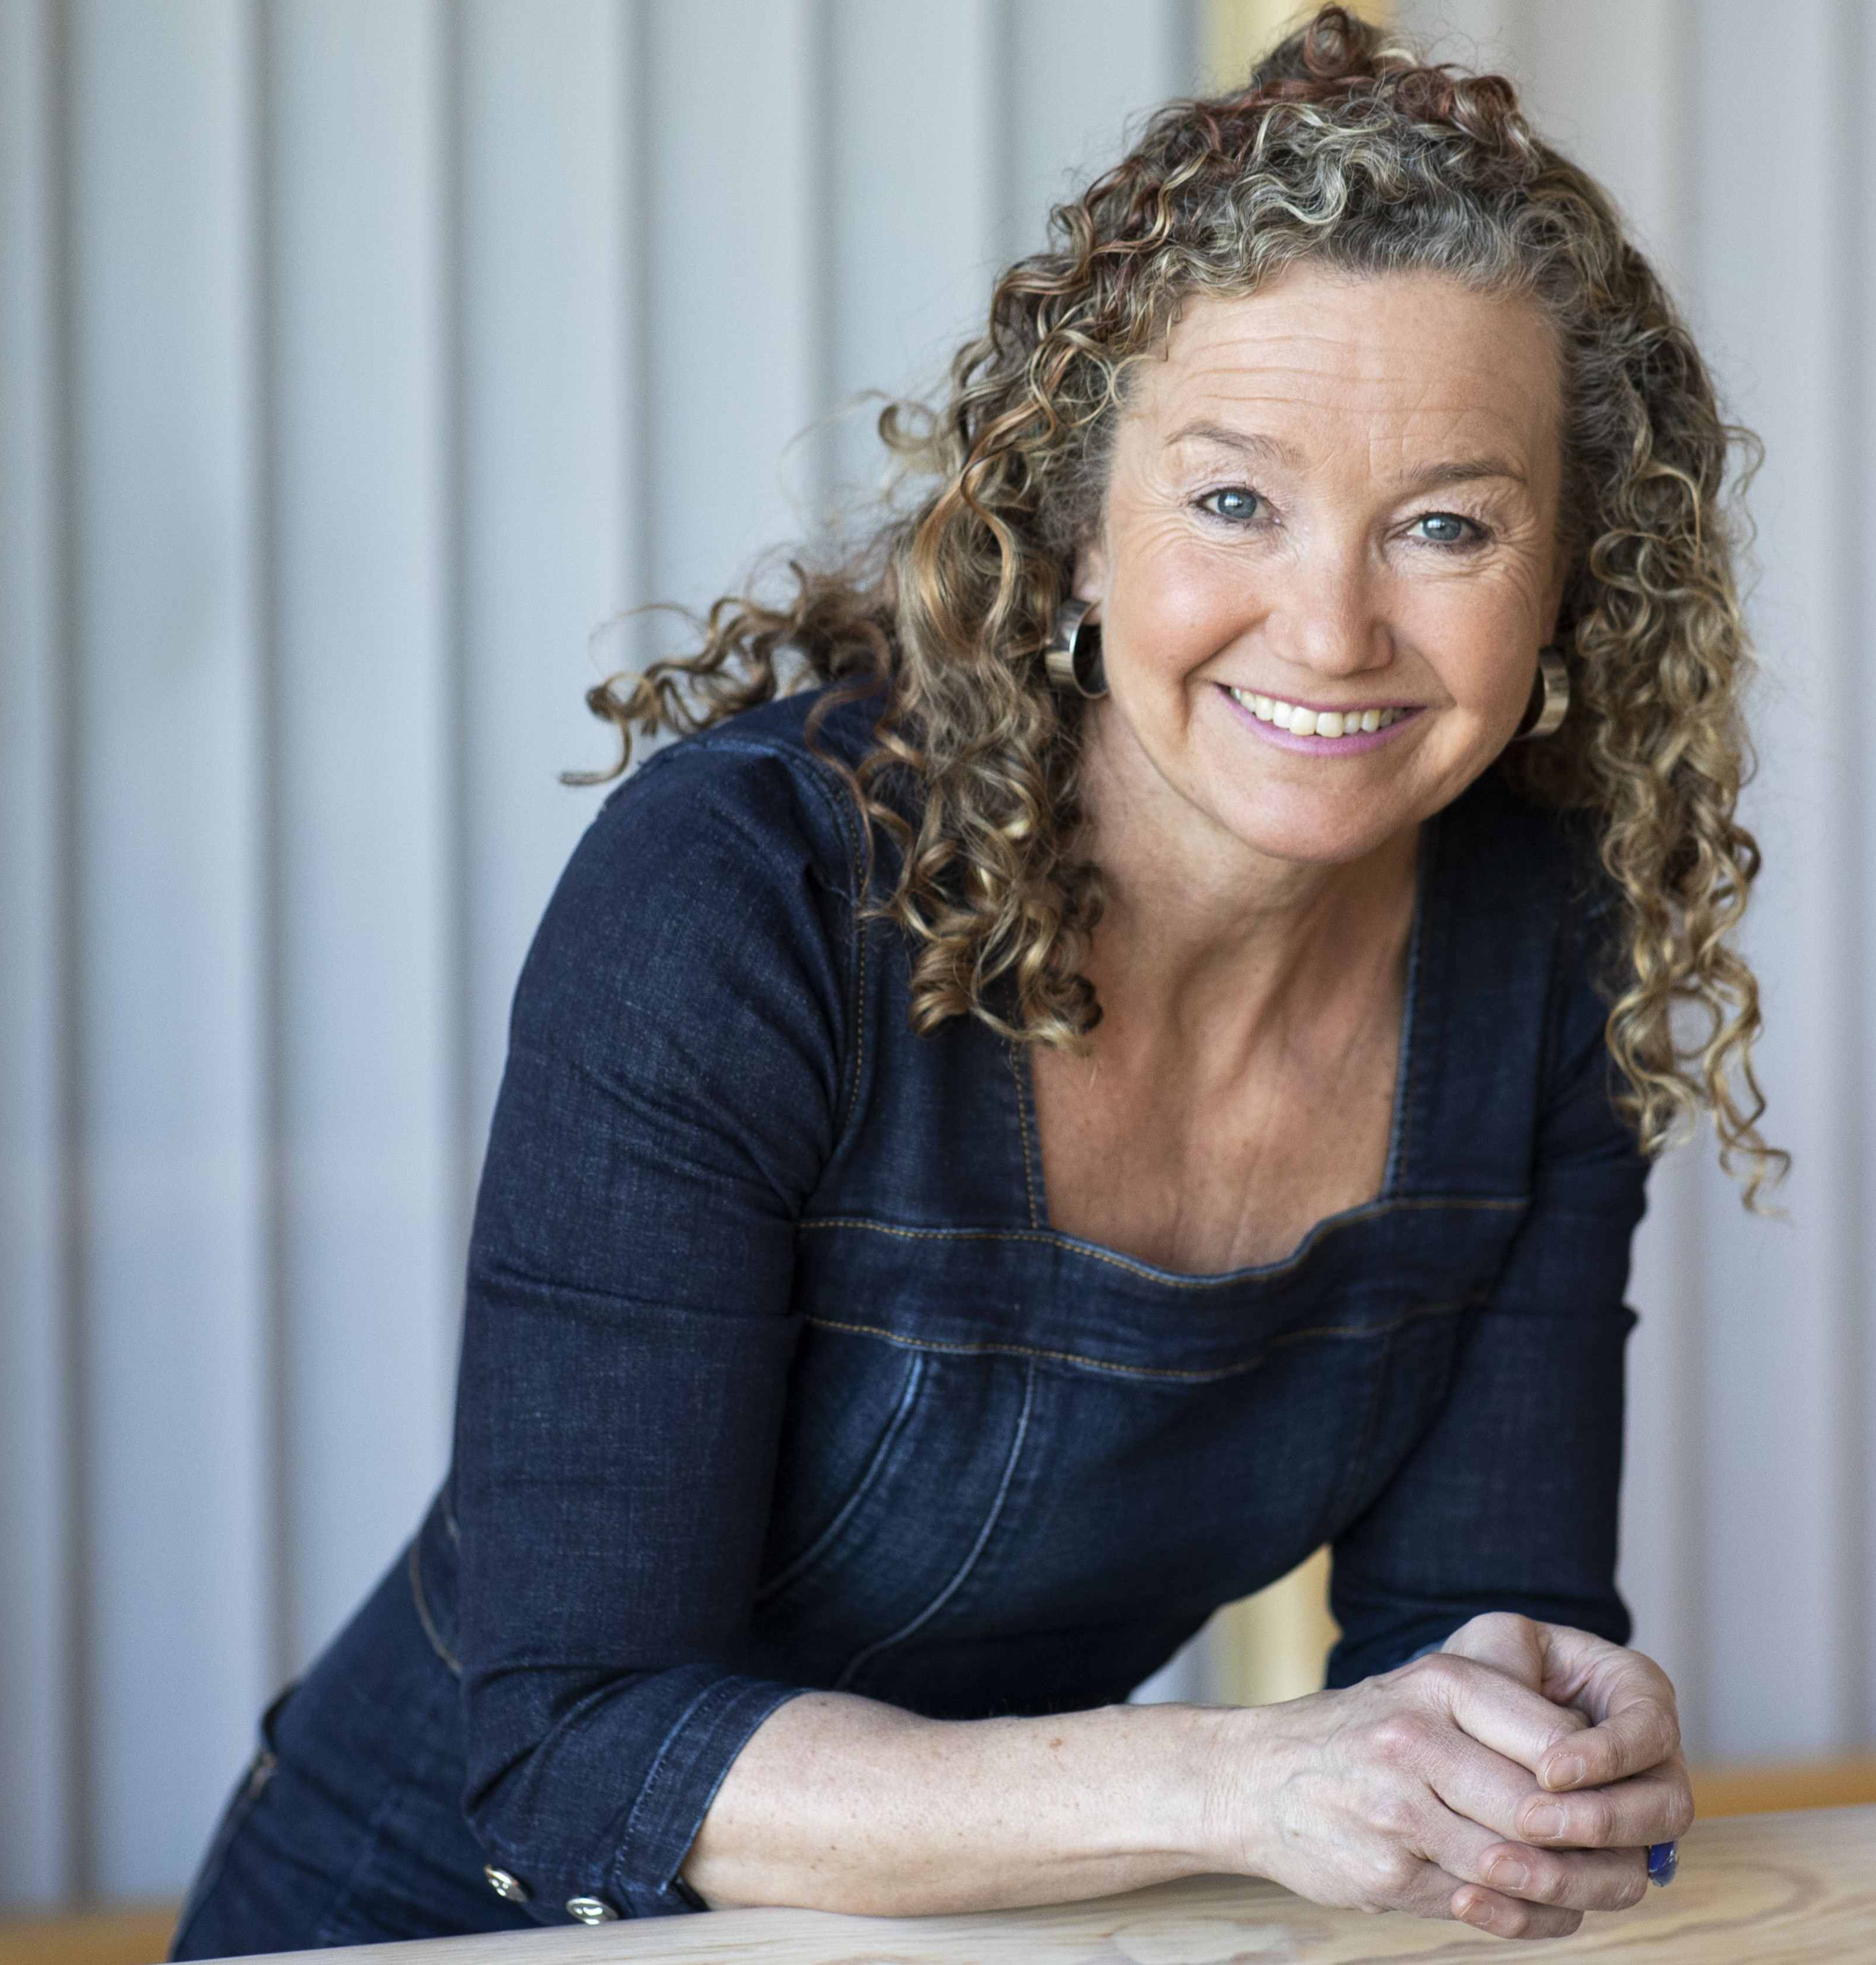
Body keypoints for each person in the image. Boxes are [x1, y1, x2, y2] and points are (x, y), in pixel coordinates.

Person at [170, 9, 1776, 1952]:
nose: (1333, 625)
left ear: (1572, 577)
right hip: (435, 1921)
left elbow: (1470, 1629)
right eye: (1234, 501)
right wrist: (1247, 1781)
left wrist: (1535, 1757)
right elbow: (579, 1748)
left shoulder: (1543, 946)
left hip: (968, 1929)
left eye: (1446, 524)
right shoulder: (747, 898)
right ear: (1078, 534)